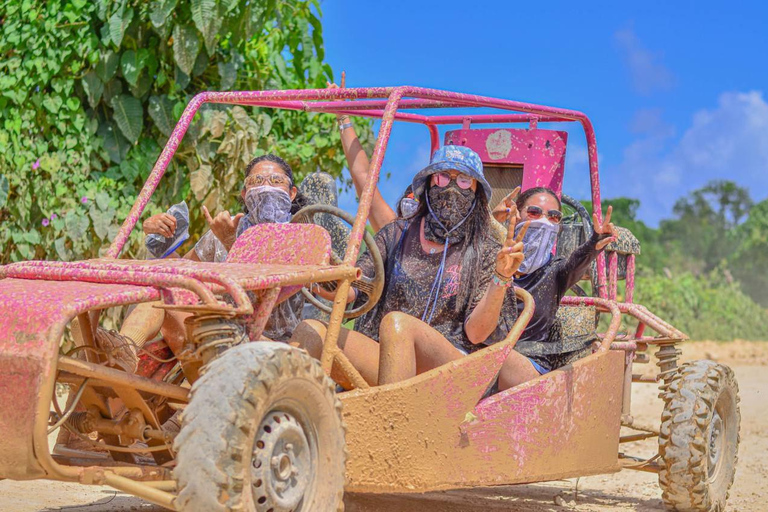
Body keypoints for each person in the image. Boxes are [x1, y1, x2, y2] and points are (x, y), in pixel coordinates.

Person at [290, 145, 523, 389]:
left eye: (464, 181)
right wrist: (315, 273)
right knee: (311, 330)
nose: (451, 187)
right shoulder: (396, 234)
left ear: (476, 192)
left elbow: (476, 334)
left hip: (449, 371)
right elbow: (353, 290)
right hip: (389, 358)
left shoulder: (485, 248)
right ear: (429, 184)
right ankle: (294, 419)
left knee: (398, 326)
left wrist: (502, 276)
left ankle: (391, 424)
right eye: (443, 177)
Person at [490, 186, 617, 388]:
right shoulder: (491, 259)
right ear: (516, 213)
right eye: (534, 212)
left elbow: (576, 262)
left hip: (526, 361)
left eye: (554, 217)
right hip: (484, 358)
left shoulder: (556, 271)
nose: (543, 221)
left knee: (494, 358)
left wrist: (595, 241)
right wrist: (491, 222)